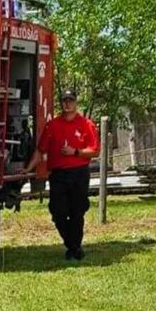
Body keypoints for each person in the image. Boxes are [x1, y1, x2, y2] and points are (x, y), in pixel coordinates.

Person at [24, 89, 100, 260]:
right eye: (64, 100)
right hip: (58, 175)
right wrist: (29, 168)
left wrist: (75, 152)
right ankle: (72, 245)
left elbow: (94, 151)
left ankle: (74, 248)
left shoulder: (87, 124)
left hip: (79, 173)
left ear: (76, 102)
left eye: (70, 100)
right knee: (58, 211)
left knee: (77, 211)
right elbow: (40, 150)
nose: (67, 103)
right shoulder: (52, 126)